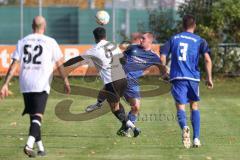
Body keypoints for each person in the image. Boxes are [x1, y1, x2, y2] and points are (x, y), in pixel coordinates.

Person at [0, 16, 70, 157]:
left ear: (32, 26)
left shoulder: (23, 41)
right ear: (45, 26)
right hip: (41, 83)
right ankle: (29, 144)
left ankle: (41, 148)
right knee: (38, 116)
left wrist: (5, 84)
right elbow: (59, 64)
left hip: (25, 83)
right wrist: (66, 80)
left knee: (34, 117)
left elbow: (14, 65)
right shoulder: (50, 42)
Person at [85, 32, 167, 137]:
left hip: (132, 83)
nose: (140, 40)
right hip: (120, 76)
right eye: (141, 38)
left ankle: (126, 128)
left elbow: (162, 69)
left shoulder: (154, 57)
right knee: (110, 88)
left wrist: (165, 75)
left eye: (143, 39)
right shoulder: (132, 48)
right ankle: (99, 102)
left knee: (136, 108)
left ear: (150, 41)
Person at [160, 14, 213, 148]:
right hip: (193, 78)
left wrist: (164, 72)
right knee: (194, 106)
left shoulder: (174, 38)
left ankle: (184, 127)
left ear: (182, 26)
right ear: (194, 26)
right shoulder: (200, 40)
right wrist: (209, 78)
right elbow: (207, 59)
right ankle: (196, 139)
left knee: (180, 107)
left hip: (177, 77)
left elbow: (163, 55)